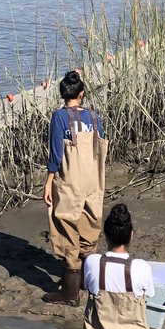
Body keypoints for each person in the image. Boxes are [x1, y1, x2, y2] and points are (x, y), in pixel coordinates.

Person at [43, 70, 108, 306]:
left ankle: (70, 293)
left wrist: (49, 181)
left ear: (63, 94)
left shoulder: (60, 117)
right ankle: (89, 283)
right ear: (82, 94)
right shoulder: (94, 116)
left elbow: (55, 154)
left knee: (66, 226)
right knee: (89, 228)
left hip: (70, 180)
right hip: (93, 180)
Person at [80, 203, 155, 329]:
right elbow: (150, 294)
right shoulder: (141, 267)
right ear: (131, 234)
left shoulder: (92, 262)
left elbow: (87, 286)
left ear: (105, 235)